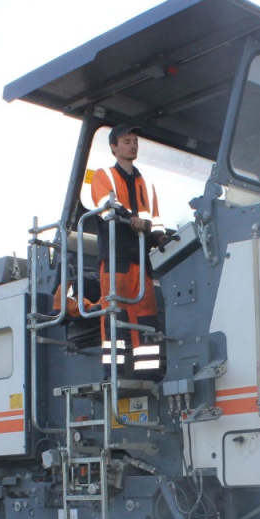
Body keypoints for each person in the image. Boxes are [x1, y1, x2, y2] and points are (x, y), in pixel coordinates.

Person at [91, 124, 168, 379]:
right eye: (126, 141)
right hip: (116, 259)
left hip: (140, 259)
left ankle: (147, 373)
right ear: (113, 147)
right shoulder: (103, 176)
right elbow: (106, 207)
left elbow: (155, 220)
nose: (132, 145)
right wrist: (132, 219)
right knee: (115, 315)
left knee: (146, 317)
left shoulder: (146, 184)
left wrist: (160, 235)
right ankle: (116, 372)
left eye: (135, 141)